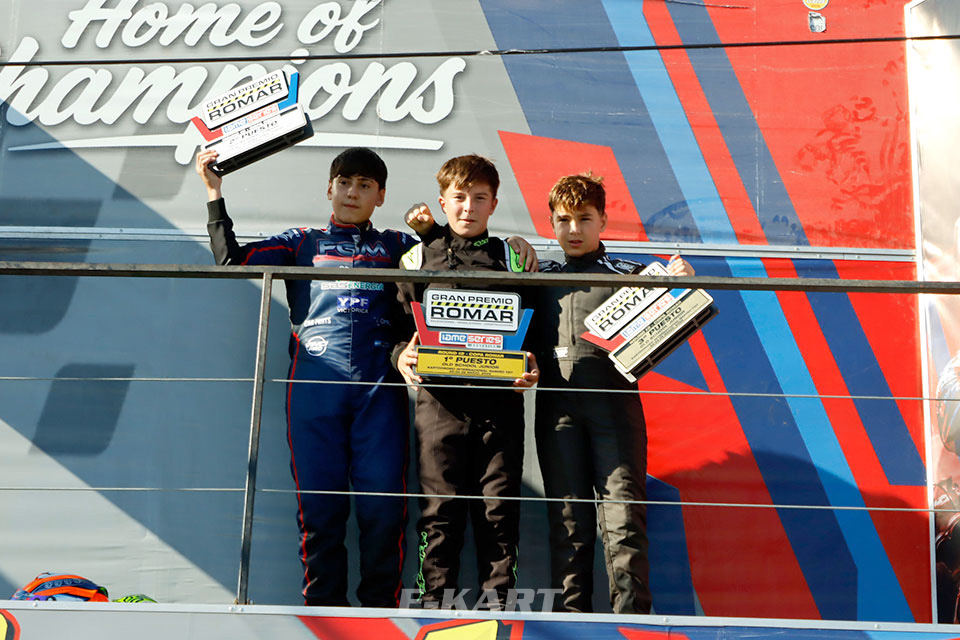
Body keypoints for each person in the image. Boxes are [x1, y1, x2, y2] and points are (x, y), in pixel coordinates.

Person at [195, 147, 415, 607]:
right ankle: (323, 613)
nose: (352, 192)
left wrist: (512, 245)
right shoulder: (302, 241)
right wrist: (214, 192)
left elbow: (455, 257)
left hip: (380, 390)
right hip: (315, 390)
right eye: (345, 183)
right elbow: (231, 261)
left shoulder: (397, 245)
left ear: (380, 196)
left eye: (365, 185)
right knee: (319, 509)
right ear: (329, 189)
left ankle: (382, 616)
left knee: (383, 509)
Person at [531, 173, 694, 614]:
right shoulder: (535, 277)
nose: (574, 230)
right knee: (568, 522)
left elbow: (678, 315)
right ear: (551, 223)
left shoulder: (633, 276)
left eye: (584, 219)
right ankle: (569, 625)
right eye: (563, 220)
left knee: (624, 520)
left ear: (603, 220)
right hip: (557, 411)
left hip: (615, 411)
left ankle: (632, 624)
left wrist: (681, 283)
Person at [394, 154, 539, 609]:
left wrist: (533, 364)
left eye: (479, 198)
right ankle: (432, 610)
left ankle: (500, 612)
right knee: (440, 516)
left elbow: (537, 331)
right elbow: (395, 329)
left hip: (500, 406)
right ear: (443, 202)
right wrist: (400, 356)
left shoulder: (513, 257)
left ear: (494, 203)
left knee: (499, 514)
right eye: (459, 197)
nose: (468, 207)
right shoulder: (417, 257)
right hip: (438, 406)